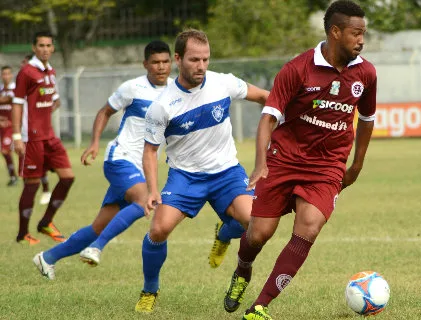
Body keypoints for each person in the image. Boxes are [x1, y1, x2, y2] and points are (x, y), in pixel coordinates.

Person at [222, 1, 377, 319]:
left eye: (364, 33)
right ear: (335, 32)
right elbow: (268, 118)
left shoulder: (366, 73)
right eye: (355, 33)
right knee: (259, 234)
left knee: (308, 228)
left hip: (327, 166)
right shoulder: (297, 69)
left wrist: (357, 165)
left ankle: (259, 306)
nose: (361, 40)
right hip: (284, 160)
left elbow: (367, 118)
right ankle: (243, 269)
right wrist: (261, 163)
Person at [134, 29, 269, 313]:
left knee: (254, 224)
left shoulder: (223, 83)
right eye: (195, 59)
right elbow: (149, 152)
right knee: (158, 230)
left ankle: (223, 234)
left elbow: (265, 97)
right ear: (178, 59)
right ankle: (150, 289)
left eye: (206, 59)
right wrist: (153, 190)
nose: (202, 66)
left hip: (227, 174)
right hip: (185, 177)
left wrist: (293, 108)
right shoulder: (161, 106)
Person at [32, 40, 173, 280]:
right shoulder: (133, 88)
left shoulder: (176, 91)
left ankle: (47, 258)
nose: (161, 67)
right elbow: (104, 111)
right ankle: (97, 247)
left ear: (173, 62)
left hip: (142, 168)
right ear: (145, 64)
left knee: (97, 227)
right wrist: (94, 143)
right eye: (155, 62)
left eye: (165, 62)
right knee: (145, 200)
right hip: (120, 158)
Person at [12, 31, 73, 245]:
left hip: (49, 137)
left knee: (67, 177)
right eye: (41, 45)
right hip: (32, 139)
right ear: (34, 48)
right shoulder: (26, 72)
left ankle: (46, 222)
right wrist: (18, 136)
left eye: (48, 45)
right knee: (32, 184)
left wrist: (42, 110)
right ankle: (22, 234)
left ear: (53, 48)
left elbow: (54, 100)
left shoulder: (51, 71)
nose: (45, 49)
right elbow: (17, 104)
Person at [20, 54, 52, 203]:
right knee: (25, 163)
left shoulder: (40, 85)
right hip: (22, 131)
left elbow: (53, 100)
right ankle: (28, 193)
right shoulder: (20, 85)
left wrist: (42, 116)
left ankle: (46, 190)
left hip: (35, 131)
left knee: (38, 162)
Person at [0, 66, 17, 186]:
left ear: (11, 75)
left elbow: (12, 101)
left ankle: (15, 176)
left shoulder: (15, 89)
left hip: (11, 126)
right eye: (3, 74)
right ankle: (13, 176)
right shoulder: (0, 89)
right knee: (5, 152)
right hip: (1, 126)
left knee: (6, 151)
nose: (6, 76)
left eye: (8, 74)